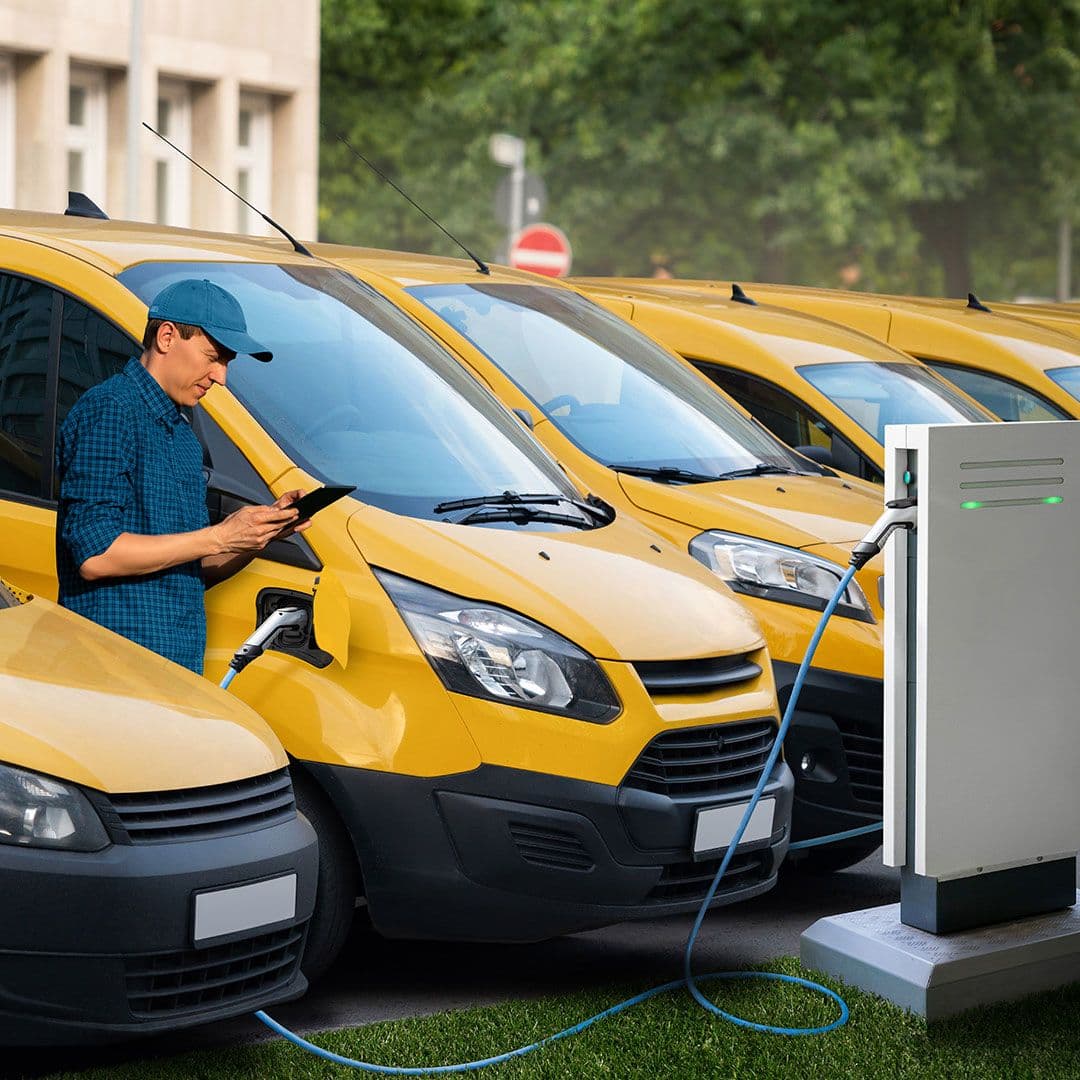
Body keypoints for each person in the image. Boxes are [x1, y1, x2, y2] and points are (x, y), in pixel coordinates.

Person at [55, 278, 309, 674]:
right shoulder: (110, 409)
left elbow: (191, 568)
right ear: (168, 337)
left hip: (174, 676)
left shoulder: (183, 436)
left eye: (226, 363)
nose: (221, 377)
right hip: (110, 675)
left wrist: (256, 537)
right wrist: (220, 535)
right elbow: (95, 554)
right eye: (214, 357)